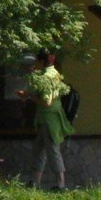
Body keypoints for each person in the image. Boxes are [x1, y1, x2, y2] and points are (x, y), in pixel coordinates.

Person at [24, 51, 71, 191]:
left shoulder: (46, 77)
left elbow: (46, 101)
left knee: (52, 150)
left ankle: (61, 184)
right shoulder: (55, 73)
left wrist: (29, 96)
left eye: (38, 62)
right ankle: (35, 181)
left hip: (48, 119)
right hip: (49, 118)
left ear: (42, 62)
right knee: (38, 149)